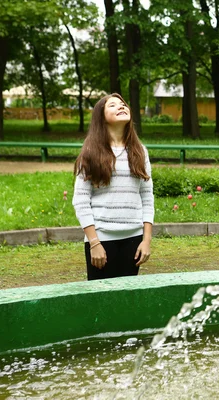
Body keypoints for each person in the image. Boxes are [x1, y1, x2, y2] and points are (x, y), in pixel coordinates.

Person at [72, 93, 154, 280]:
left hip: (133, 239)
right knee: (100, 302)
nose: (121, 106)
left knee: (126, 300)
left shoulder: (139, 151)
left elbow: (147, 196)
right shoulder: (90, 152)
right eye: (112, 105)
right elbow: (81, 200)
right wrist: (94, 242)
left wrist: (146, 240)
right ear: (101, 117)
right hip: (101, 240)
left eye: (123, 104)